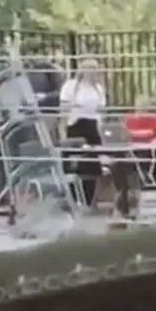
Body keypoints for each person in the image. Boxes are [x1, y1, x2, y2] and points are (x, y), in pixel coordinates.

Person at [58, 57, 107, 209]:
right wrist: (63, 130)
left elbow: (101, 111)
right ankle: (72, 197)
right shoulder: (71, 86)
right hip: (76, 125)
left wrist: (102, 129)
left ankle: (89, 199)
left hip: (93, 126)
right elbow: (64, 109)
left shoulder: (98, 88)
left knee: (92, 164)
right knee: (76, 163)